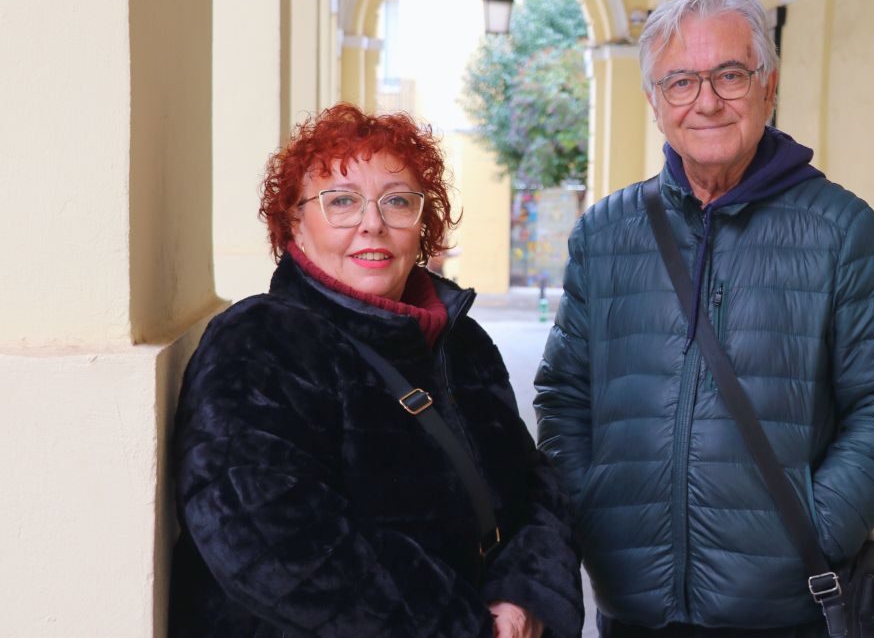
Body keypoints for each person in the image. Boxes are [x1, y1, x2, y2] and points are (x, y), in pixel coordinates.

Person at [534, 0, 874, 636]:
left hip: (786, 612)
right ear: (655, 102)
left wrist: (816, 524)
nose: (707, 100)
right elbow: (562, 394)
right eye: (681, 81)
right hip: (635, 606)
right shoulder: (604, 234)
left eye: (729, 74)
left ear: (768, 87)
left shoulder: (838, 229)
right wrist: (595, 511)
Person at [169, 103, 582, 638]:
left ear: (421, 224)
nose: (372, 223)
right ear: (295, 221)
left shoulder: (463, 343)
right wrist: (466, 625)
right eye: (341, 201)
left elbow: (535, 486)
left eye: (397, 202)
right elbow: (270, 540)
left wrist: (523, 598)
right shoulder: (259, 342)